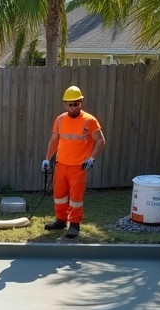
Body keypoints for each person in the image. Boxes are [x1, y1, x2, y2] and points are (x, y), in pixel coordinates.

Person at [42, 86, 105, 239]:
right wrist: (47, 158)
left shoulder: (89, 120)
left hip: (79, 166)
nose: (73, 107)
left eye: (76, 103)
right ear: (64, 104)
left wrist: (92, 158)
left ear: (81, 102)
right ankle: (60, 220)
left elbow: (100, 140)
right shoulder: (60, 119)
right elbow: (54, 140)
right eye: (70, 104)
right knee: (59, 195)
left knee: (76, 197)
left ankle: (74, 225)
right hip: (61, 164)